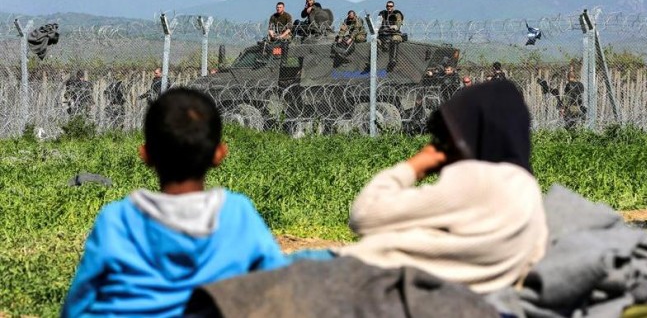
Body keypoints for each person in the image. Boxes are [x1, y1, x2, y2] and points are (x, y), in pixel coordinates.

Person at [61, 87, 287, 317]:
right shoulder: (238, 214)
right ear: (219, 154)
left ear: (145, 154)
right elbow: (280, 293)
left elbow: (77, 307)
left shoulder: (117, 220)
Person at [336, 80, 548, 294]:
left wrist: (418, 163)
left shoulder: (478, 180)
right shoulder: (529, 191)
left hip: (363, 275)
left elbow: (364, 215)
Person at [378, 0, 405, 70]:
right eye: (388, 6)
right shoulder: (383, 14)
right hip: (384, 33)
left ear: (393, 7)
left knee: (394, 39)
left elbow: (399, 22)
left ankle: (393, 60)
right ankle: (371, 61)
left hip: (395, 33)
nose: (389, 7)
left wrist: (395, 26)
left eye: (390, 6)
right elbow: (378, 22)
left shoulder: (397, 14)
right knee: (375, 41)